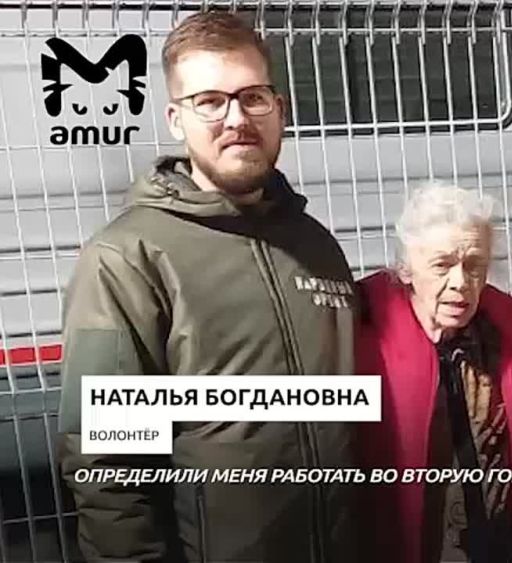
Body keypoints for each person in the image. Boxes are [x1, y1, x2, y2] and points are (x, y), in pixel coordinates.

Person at [57, 11, 359, 561]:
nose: (236, 118)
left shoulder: (316, 245)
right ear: (176, 119)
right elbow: (109, 468)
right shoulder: (126, 259)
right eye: (210, 101)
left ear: (280, 108)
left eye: (253, 98)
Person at [355, 184, 512, 563]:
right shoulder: (363, 342)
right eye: (441, 265)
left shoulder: (509, 333)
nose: (460, 283)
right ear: (406, 269)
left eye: (474, 265)